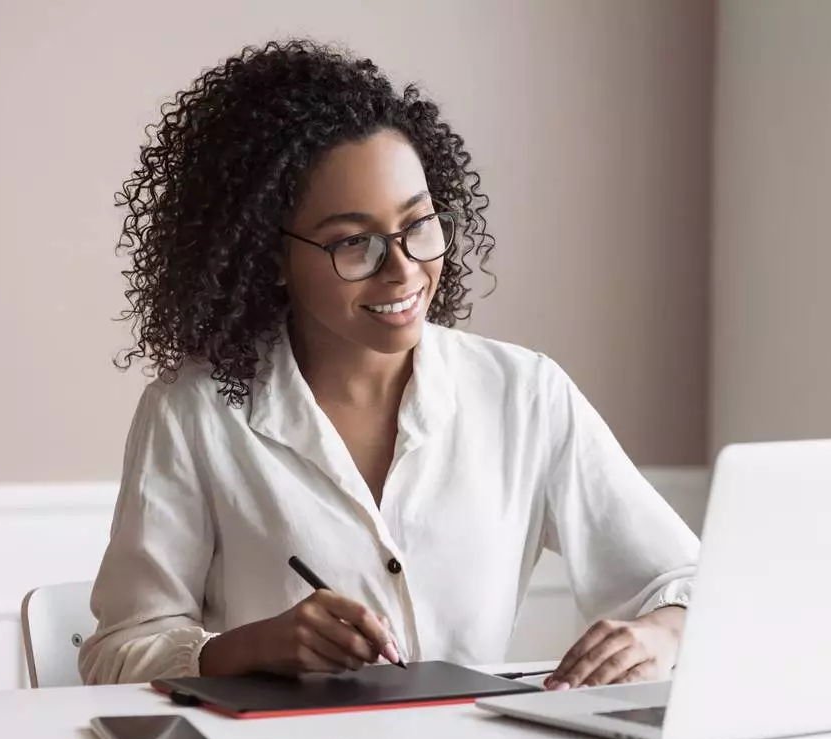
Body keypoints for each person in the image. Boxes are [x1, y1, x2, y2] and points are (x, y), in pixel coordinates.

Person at [78, 39, 698, 692]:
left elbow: (686, 578)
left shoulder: (524, 395)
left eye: (419, 225)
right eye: (354, 242)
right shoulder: (195, 412)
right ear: (269, 256)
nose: (403, 269)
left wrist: (661, 632)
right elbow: (116, 653)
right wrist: (250, 645)